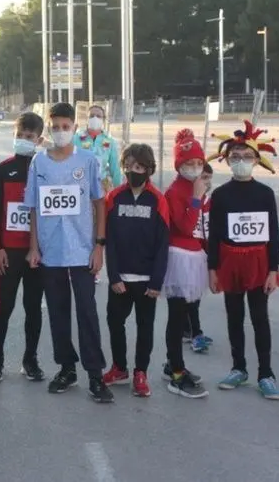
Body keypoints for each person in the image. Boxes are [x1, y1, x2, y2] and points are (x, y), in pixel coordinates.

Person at [24, 103, 113, 403]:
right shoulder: (39, 162)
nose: (61, 132)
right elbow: (33, 207)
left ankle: (95, 374)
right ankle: (66, 367)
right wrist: (34, 247)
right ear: (49, 128)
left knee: (87, 312)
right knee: (57, 311)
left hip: (83, 251)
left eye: (66, 126)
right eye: (56, 127)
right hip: (51, 252)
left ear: (75, 128)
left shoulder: (88, 161)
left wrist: (99, 245)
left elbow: (99, 203)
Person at [207, 120, 279, 400]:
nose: (241, 161)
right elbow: (214, 234)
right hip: (230, 263)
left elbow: (273, 233)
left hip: (258, 263)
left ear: (256, 160)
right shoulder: (220, 195)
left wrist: (273, 269)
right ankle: (238, 368)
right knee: (234, 316)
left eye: (247, 156)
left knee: (260, 317)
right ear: (227, 160)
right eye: (236, 157)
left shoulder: (265, 194)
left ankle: (266, 374)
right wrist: (212, 269)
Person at [103, 143, 169, 398]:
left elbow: (163, 244)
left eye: (139, 167)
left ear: (149, 169)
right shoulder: (114, 197)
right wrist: (114, 276)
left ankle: (140, 372)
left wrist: (156, 281)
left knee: (145, 326)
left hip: (146, 280)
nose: (133, 171)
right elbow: (109, 241)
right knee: (115, 322)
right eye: (129, 166)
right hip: (121, 278)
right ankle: (119, 368)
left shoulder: (158, 200)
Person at [0, 112, 45, 382]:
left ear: (39, 140)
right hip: (8, 252)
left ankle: (30, 359)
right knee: (4, 307)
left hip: (36, 252)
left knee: (33, 307)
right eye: (20, 135)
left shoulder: (45, 169)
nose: (23, 139)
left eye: (29, 136)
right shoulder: (2, 170)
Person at [160, 130, 210, 399]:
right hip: (179, 257)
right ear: (179, 165)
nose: (195, 168)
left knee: (184, 314)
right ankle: (177, 372)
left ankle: (173, 363)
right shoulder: (175, 191)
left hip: (193, 255)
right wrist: (197, 198)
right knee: (177, 317)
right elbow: (186, 226)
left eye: (199, 163)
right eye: (189, 163)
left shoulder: (195, 187)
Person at [182, 162, 215, 350]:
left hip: (203, 253)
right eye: (203, 178)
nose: (206, 182)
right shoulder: (190, 199)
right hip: (188, 253)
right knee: (191, 296)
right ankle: (196, 333)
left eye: (209, 178)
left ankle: (186, 328)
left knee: (195, 295)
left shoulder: (210, 202)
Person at [73, 105, 122, 193]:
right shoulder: (76, 138)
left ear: (103, 120)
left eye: (98, 116)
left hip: (102, 186)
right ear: (87, 119)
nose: (95, 118)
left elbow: (115, 169)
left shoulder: (109, 141)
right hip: (80, 185)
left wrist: (119, 191)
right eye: (91, 116)